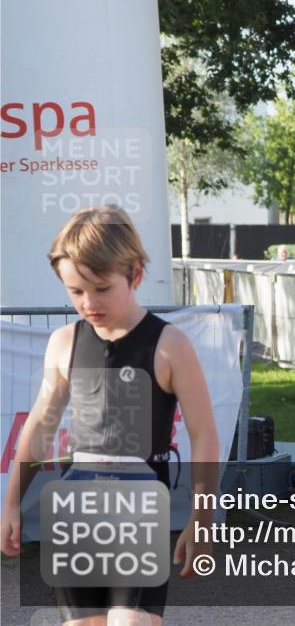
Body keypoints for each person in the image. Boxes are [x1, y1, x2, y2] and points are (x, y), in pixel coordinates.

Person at [1, 205, 219, 626]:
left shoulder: (170, 344)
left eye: (101, 288)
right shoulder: (64, 343)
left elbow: (204, 434)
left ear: (135, 274)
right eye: (75, 291)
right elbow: (40, 427)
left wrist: (202, 519)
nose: (88, 303)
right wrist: (12, 501)